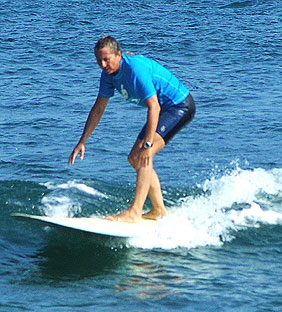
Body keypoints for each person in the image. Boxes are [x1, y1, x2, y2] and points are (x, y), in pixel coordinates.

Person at [69, 36, 195, 222]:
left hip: (178, 106)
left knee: (145, 154)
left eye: (107, 59)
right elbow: (98, 108)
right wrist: (82, 141)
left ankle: (135, 212)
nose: (103, 65)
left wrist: (148, 144)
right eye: (99, 61)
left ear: (118, 55)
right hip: (163, 109)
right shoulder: (108, 75)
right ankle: (158, 210)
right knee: (134, 158)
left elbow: (154, 107)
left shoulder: (135, 70)